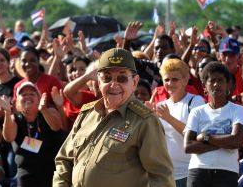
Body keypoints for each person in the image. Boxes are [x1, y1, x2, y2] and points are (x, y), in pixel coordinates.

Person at [53, 48, 175, 187]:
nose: (114, 84)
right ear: (99, 82)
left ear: (134, 82)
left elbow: (162, 176)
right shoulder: (87, 114)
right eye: (107, 78)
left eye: (122, 78)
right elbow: (64, 160)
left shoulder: (144, 121)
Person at [184, 62, 243, 187]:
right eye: (212, 80)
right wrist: (225, 142)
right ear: (204, 87)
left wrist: (206, 137)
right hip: (198, 172)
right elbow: (188, 146)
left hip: (227, 172)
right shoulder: (197, 112)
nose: (216, 84)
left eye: (220, 80)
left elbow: (237, 142)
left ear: (228, 85)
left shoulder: (238, 110)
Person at [146, 58, 204, 187]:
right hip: (165, 173)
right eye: (166, 79)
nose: (170, 83)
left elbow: (194, 137)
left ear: (185, 79)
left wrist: (168, 118)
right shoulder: (160, 105)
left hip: (190, 172)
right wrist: (149, 119)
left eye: (175, 79)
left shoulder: (196, 101)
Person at [2, 81, 63, 187]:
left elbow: (56, 126)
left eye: (32, 94)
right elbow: (8, 137)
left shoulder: (50, 111)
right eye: (24, 94)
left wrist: (43, 110)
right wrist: (7, 112)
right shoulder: (14, 119)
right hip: (26, 177)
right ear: (17, 101)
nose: (28, 97)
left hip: (52, 175)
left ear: (39, 99)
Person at [0, 47, 20, 187]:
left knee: (13, 172)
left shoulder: (19, 84)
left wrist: (9, 110)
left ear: (8, 62)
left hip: (15, 138)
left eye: (1, 60)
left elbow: (26, 110)